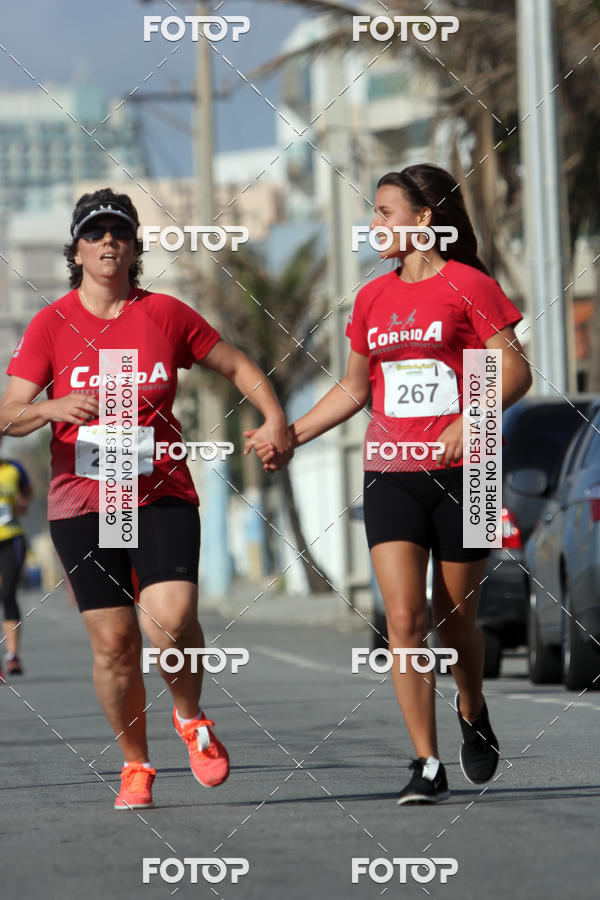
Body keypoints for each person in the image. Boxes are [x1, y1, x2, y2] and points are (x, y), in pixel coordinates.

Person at [246, 164, 532, 804]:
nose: (374, 224)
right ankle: (426, 764)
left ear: (424, 219)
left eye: (384, 211)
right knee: (405, 617)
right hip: (390, 475)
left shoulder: (470, 286)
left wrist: (472, 418)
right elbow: (354, 388)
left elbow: (516, 371)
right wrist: (290, 434)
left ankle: (472, 704)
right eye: (372, 213)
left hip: (470, 472)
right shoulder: (372, 298)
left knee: (458, 622)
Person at [0, 187, 293, 809]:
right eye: (95, 233)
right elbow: (8, 415)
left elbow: (238, 365)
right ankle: (136, 764)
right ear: (75, 251)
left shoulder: (164, 314)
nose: (109, 242)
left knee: (172, 619)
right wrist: (49, 404)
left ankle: (189, 717)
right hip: (84, 501)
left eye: (121, 233)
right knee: (114, 645)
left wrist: (272, 418)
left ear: (135, 248)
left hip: (159, 489)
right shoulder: (50, 325)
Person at [0, 442, 32, 680]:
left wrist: (22, 503)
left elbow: (27, 492)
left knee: (8, 593)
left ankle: (12, 657)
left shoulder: (13, 469)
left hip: (11, 539)